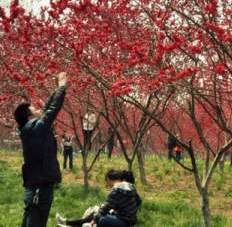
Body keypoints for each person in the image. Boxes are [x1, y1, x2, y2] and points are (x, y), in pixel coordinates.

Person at [14, 71, 68, 227]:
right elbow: (51, 110)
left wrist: (56, 89)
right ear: (30, 116)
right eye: (34, 109)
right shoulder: (35, 128)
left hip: (38, 185)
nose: (39, 109)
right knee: (35, 221)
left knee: (32, 219)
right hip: (40, 187)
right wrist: (62, 87)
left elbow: (46, 109)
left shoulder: (30, 128)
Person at [56, 169, 142, 227]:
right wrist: (130, 211)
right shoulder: (129, 185)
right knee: (97, 213)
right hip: (130, 220)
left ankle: (71, 223)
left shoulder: (116, 190)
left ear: (109, 180)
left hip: (123, 222)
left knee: (101, 219)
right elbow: (139, 201)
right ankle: (68, 223)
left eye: (107, 182)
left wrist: (92, 223)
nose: (107, 185)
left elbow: (104, 210)